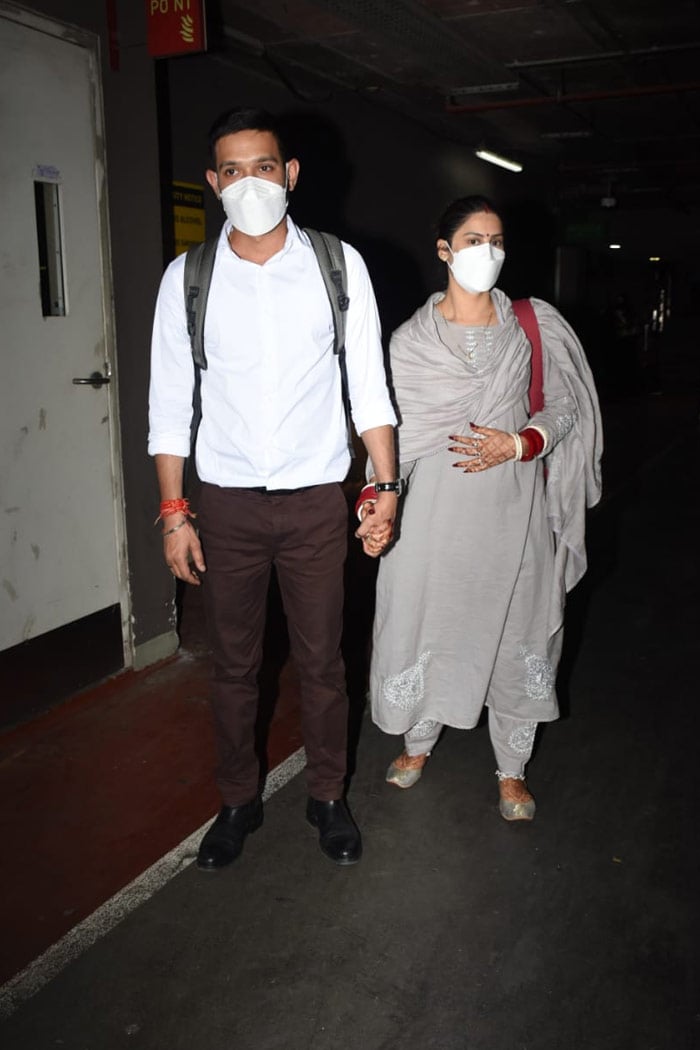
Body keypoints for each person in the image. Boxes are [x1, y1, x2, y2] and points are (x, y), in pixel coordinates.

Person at [148, 107, 399, 869]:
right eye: (233, 169)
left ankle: (328, 795)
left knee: (323, 660)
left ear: (289, 175)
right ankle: (237, 800)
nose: (249, 182)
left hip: (317, 503)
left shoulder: (336, 266)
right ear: (214, 182)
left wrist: (385, 485)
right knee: (234, 664)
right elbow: (169, 405)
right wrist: (173, 513)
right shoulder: (187, 278)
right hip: (224, 505)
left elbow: (369, 388)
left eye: (264, 167)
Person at [364, 195, 602, 820]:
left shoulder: (532, 325)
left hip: (512, 515)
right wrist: (377, 501)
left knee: (517, 631)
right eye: (473, 240)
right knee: (425, 622)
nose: (487, 252)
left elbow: (565, 408)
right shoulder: (408, 342)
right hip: (432, 521)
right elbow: (393, 441)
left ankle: (512, 769)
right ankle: (418, 743)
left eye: (496, 241)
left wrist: (521, 441)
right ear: (443, 250)